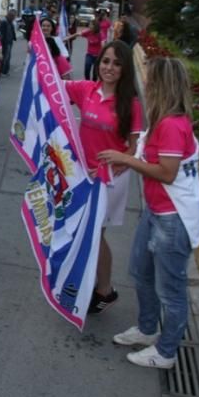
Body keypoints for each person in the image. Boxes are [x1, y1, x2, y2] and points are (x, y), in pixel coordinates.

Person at [98, 57, 199, 369]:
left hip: (172, 219)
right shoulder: (165, 120)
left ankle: (167, 352)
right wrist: (124, 159)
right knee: (141, 273)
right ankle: (147, 329)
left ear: (162, 86)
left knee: (170, 292)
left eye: (151, 81)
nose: (146, 85)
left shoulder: (172, 125)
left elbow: (167, 172)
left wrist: (126, 160)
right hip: (155, 212)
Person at [64, 41, 143, 315]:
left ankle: (104, 289)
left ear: (125, 69)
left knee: (95, 233)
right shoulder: (86, 89)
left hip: (110, 178)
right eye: (106, 61)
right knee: (81, 231)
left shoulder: (131, 104)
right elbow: (54, 88)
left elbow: (134, 148)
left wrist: (109, 169)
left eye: (117, 63)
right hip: (81, 174)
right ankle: (89, 284)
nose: (109, 67)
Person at [0, 8, 17, 77]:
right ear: (10, 15)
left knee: (8, 56)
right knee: (5, 56)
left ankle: (5, 71)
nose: (14, 18)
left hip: (9, 41)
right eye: (13, 16)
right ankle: (2, 71)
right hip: (5, 42)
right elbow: (2, 34)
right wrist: (2, 42)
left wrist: (14, 38)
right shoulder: (4, 22)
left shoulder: (9, 22)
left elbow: (12, 31)